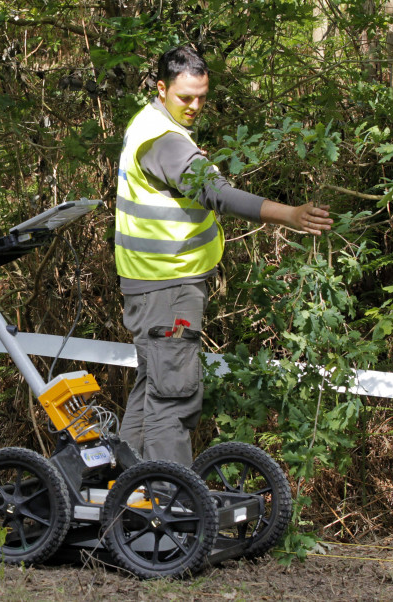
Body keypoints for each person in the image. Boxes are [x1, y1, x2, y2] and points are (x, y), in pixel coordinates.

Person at [115, 44, 333, 466]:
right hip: (169, 287)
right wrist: (287, 214)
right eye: (185, 97)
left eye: (202, 97)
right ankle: (170, 507)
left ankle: (127, 496)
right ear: (161, 88)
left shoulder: (146, 123)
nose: (195, 106)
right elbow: (217, 193)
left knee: (150, 392)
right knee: (172, 399)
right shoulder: (166, 142)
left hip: (147, 284)